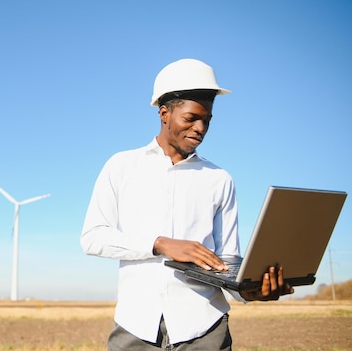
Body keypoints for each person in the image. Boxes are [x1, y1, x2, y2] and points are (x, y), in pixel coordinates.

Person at [80, 58, 294, 350]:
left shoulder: (220, 179)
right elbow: (92, 238)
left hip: (206, 330)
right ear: (164, 113)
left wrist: (251, 292)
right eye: (191, 118)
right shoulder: (120, 166)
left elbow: (228, 260)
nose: (200, 128)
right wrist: (160, 243)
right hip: (135, 328)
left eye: (207, 120)